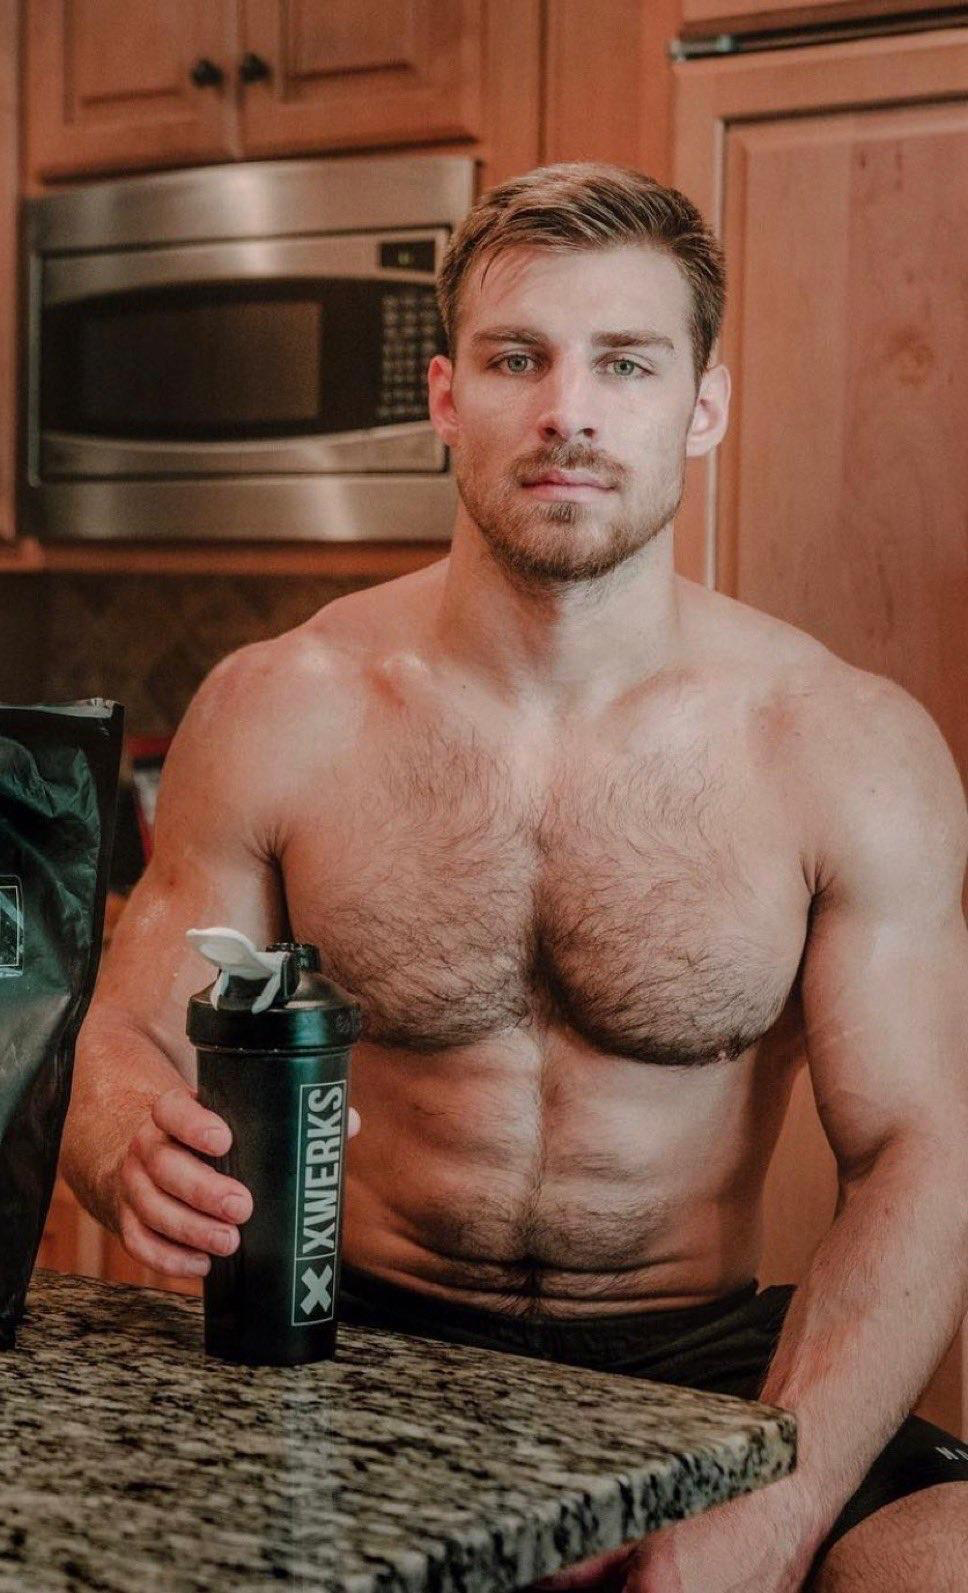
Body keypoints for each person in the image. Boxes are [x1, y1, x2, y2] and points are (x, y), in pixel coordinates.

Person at [62, 164, 968, 1592]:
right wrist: (121, 1134)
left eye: (627, 363)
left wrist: (775, 1508)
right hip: (350, 1347)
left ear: (703, 406)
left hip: (698, 1363)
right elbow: (126, 1032)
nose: (569, 411)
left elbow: (921, 1150)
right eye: (516, 359)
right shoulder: (283, 705)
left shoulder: (843, 747)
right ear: (446, 397)